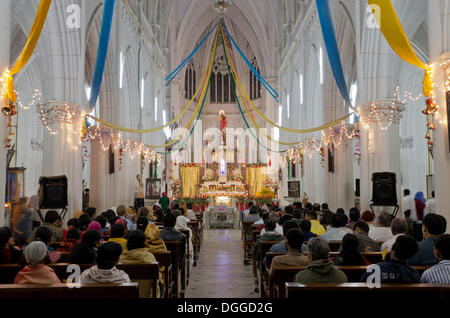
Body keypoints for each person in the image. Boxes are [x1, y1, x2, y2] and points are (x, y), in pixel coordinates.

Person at [120, 230, 162, 297]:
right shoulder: (149, 257)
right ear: (144, 242)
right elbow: (158, 277)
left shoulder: (121, 259)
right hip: (146, 295)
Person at [268, 229, 309, 296]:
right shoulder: (308, 260)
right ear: (302, 243)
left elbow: (271, 277)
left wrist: (270, 292)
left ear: (286, 242)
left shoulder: (277, 260)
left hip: (282, 293)